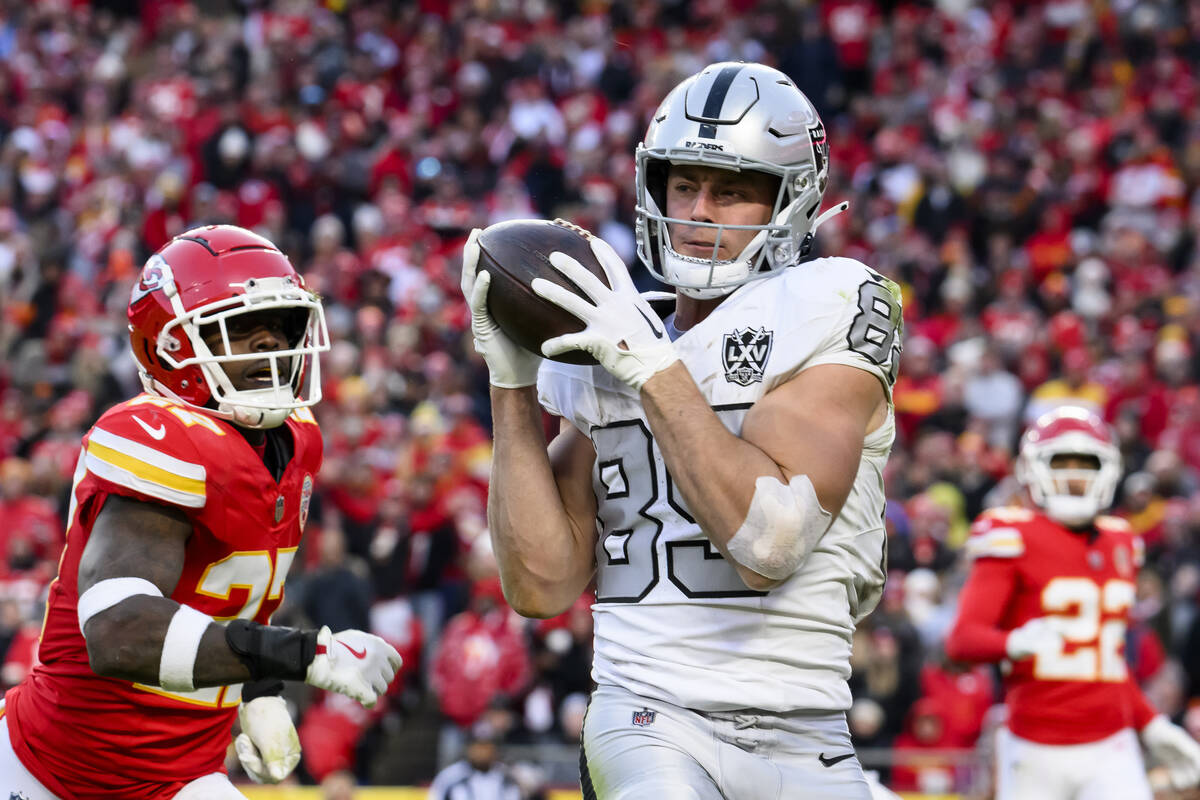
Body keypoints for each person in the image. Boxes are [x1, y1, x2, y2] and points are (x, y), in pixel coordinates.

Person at [463, 62, 902, 799]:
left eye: (731, 190)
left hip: (810, 731)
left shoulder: (828, 303)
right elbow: (540, 584)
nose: (699, 211)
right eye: (684, 184)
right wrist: (510, 384)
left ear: (790, 200)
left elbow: (770, 542)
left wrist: (652, 370)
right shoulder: (612, 336)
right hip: (649, 713)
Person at [1, 225, 403, 800]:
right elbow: (119, 631)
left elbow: (237, 593)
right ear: (172, 347)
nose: (271, 348)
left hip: (181, 774)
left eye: (281, 327)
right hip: (54, 771)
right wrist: (305, 655)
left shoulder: (296, 441)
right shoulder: (162, 439)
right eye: (242, 329)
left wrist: (259, 691)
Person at [945, 405, 1200, 800]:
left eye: (1086, 464)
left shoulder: (1121, 541)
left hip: (1112, 744)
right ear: (1034, 468)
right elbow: (962, 641)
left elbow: (1108, 661)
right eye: (1061, 463)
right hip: (1034, 743)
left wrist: (1153, 725)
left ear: (1109, 469)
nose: (1075, 476)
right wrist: (1014, 642)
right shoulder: (1010, 534)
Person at [427, 723, 522, 800]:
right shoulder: (450, 776)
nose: (482, 752)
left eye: (487, 746)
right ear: (469, 748)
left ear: (495, 750)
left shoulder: (506, 776)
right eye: (478, 746)